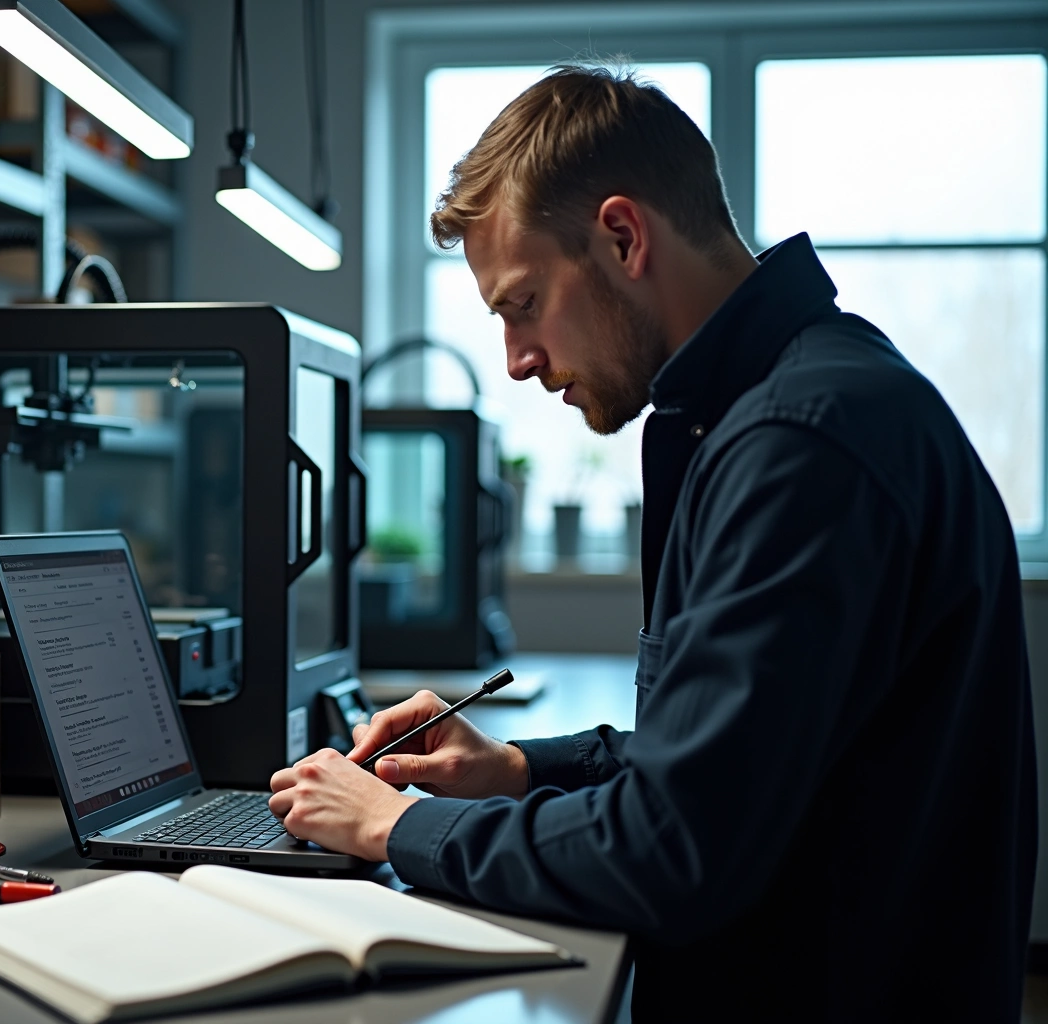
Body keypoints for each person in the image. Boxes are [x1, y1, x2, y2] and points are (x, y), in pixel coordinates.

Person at [268, 64, 1035, 1021]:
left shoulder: (799, 446)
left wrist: (403, 825)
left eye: (522, 304)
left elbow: (675, 847)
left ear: (624, 237)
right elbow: (733, 757)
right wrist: (519, 770)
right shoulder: (788, 405)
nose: (515, 361)